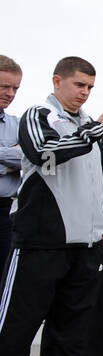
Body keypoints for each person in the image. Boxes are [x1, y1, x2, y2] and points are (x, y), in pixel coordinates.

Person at [0, 56, 103, 356]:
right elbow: (44, 153)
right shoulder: (38, 115)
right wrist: (96, 130)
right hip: (40, 243)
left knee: (70, 332)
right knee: (17, 330)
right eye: (78, 85)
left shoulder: (89, 124)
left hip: (84, 247)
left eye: (89, 87)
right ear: (58, 81)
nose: (84, 93)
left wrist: (100, 226)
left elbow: (101, 181)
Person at [0, 55, 22, 284]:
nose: (11, 93)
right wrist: (8, 162)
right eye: (5, 86)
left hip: (5, 213)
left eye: (15, 88)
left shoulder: (18, 124)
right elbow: (16, 157)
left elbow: (27, 157)